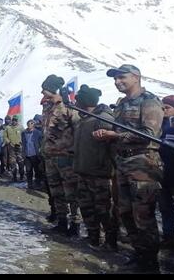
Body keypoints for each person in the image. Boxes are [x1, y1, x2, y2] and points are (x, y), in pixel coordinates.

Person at [92, 64, 163, 272]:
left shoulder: (149, 101)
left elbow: (150, 133)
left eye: (121, 77)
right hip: (122, 163)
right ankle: (139, 254)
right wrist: (106, 136)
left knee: (143, 216)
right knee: (125, 213)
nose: (117, 82)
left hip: (143, 164)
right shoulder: (122, 104)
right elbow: (117, 132)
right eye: (115, 79)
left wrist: (115, 135)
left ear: (136, 77)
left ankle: (150, 264)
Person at [73, 85, 117, 250]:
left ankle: (111, 242)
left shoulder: (104, 118)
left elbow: (114, 145)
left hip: (99, 174)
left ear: (84, 101)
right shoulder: (82, 120)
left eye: (78, 100)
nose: (75, 103)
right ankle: (93, 238)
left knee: (103, 209)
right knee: (87, 208)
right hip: (83, 171)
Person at [41, 74, 81, 236]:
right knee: (56, 192)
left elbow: (78, 129)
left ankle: (75, 224)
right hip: (50, 157)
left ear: (52, 89)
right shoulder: (47, 108)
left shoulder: (69, 107)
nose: (42, 93)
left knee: (71, 193)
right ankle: (61, 221)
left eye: (44, 89)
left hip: (66, 157)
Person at [158, 95, 174, 249]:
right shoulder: (158, 125)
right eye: (162, 107)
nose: (164, 110)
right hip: (162, 175)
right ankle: (168, 236)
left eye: (167, 108)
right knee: (165, 207)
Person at [21, 119, 43, 189]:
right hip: (27, 155)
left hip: (36, 155)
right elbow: (23, 143)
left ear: (34, 124)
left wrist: (40, 152)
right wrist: (23, 153)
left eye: (32, 123)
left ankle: (38, 184)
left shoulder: (38, 133)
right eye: (29, 124)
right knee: (28, 170)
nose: (30, 125)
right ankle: (29, 184)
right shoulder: (24, 133)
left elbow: (41, 143)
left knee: (37, 170)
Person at [3, 116, 25, 182]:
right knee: (12, 163)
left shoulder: (21, 127)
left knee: (21, 163)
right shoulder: (7, 128)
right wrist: (8, 141)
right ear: (12, 121)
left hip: (19, 148)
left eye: (16, 120)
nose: (14, 122)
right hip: (11, 148)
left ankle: (21, 176)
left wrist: (22, 143)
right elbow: (4, 136)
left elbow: (24, 135)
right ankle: (14, 177)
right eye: (13, 120)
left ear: (17, 121)